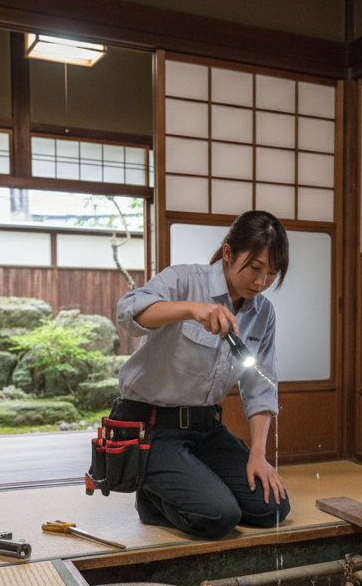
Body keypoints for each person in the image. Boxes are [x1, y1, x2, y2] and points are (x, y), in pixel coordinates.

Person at [114, 210, 290, 539]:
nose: (260, 282)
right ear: (228, 253)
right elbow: (127, 310)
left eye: (271, 274)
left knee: (272, 508)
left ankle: (188, 482)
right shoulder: (184, 280)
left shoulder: (263, 312)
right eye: (255, 268)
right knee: (220, 517)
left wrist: (258, 456)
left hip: (206, 429)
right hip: (152, 428)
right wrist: (194, 309)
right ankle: (150, 495)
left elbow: (260, 388)